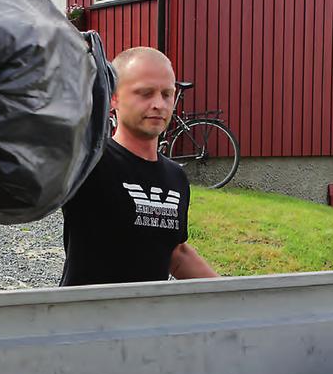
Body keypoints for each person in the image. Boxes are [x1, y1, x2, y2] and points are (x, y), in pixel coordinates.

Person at [59, 46, 219, 286]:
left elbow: (175, 253)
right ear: (113, 97)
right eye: (145, 93)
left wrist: (236, 296)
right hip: (84, 318)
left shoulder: (175, 177)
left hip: (146, 320)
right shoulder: (87, 162)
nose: (159, 104)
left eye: (167, 94)